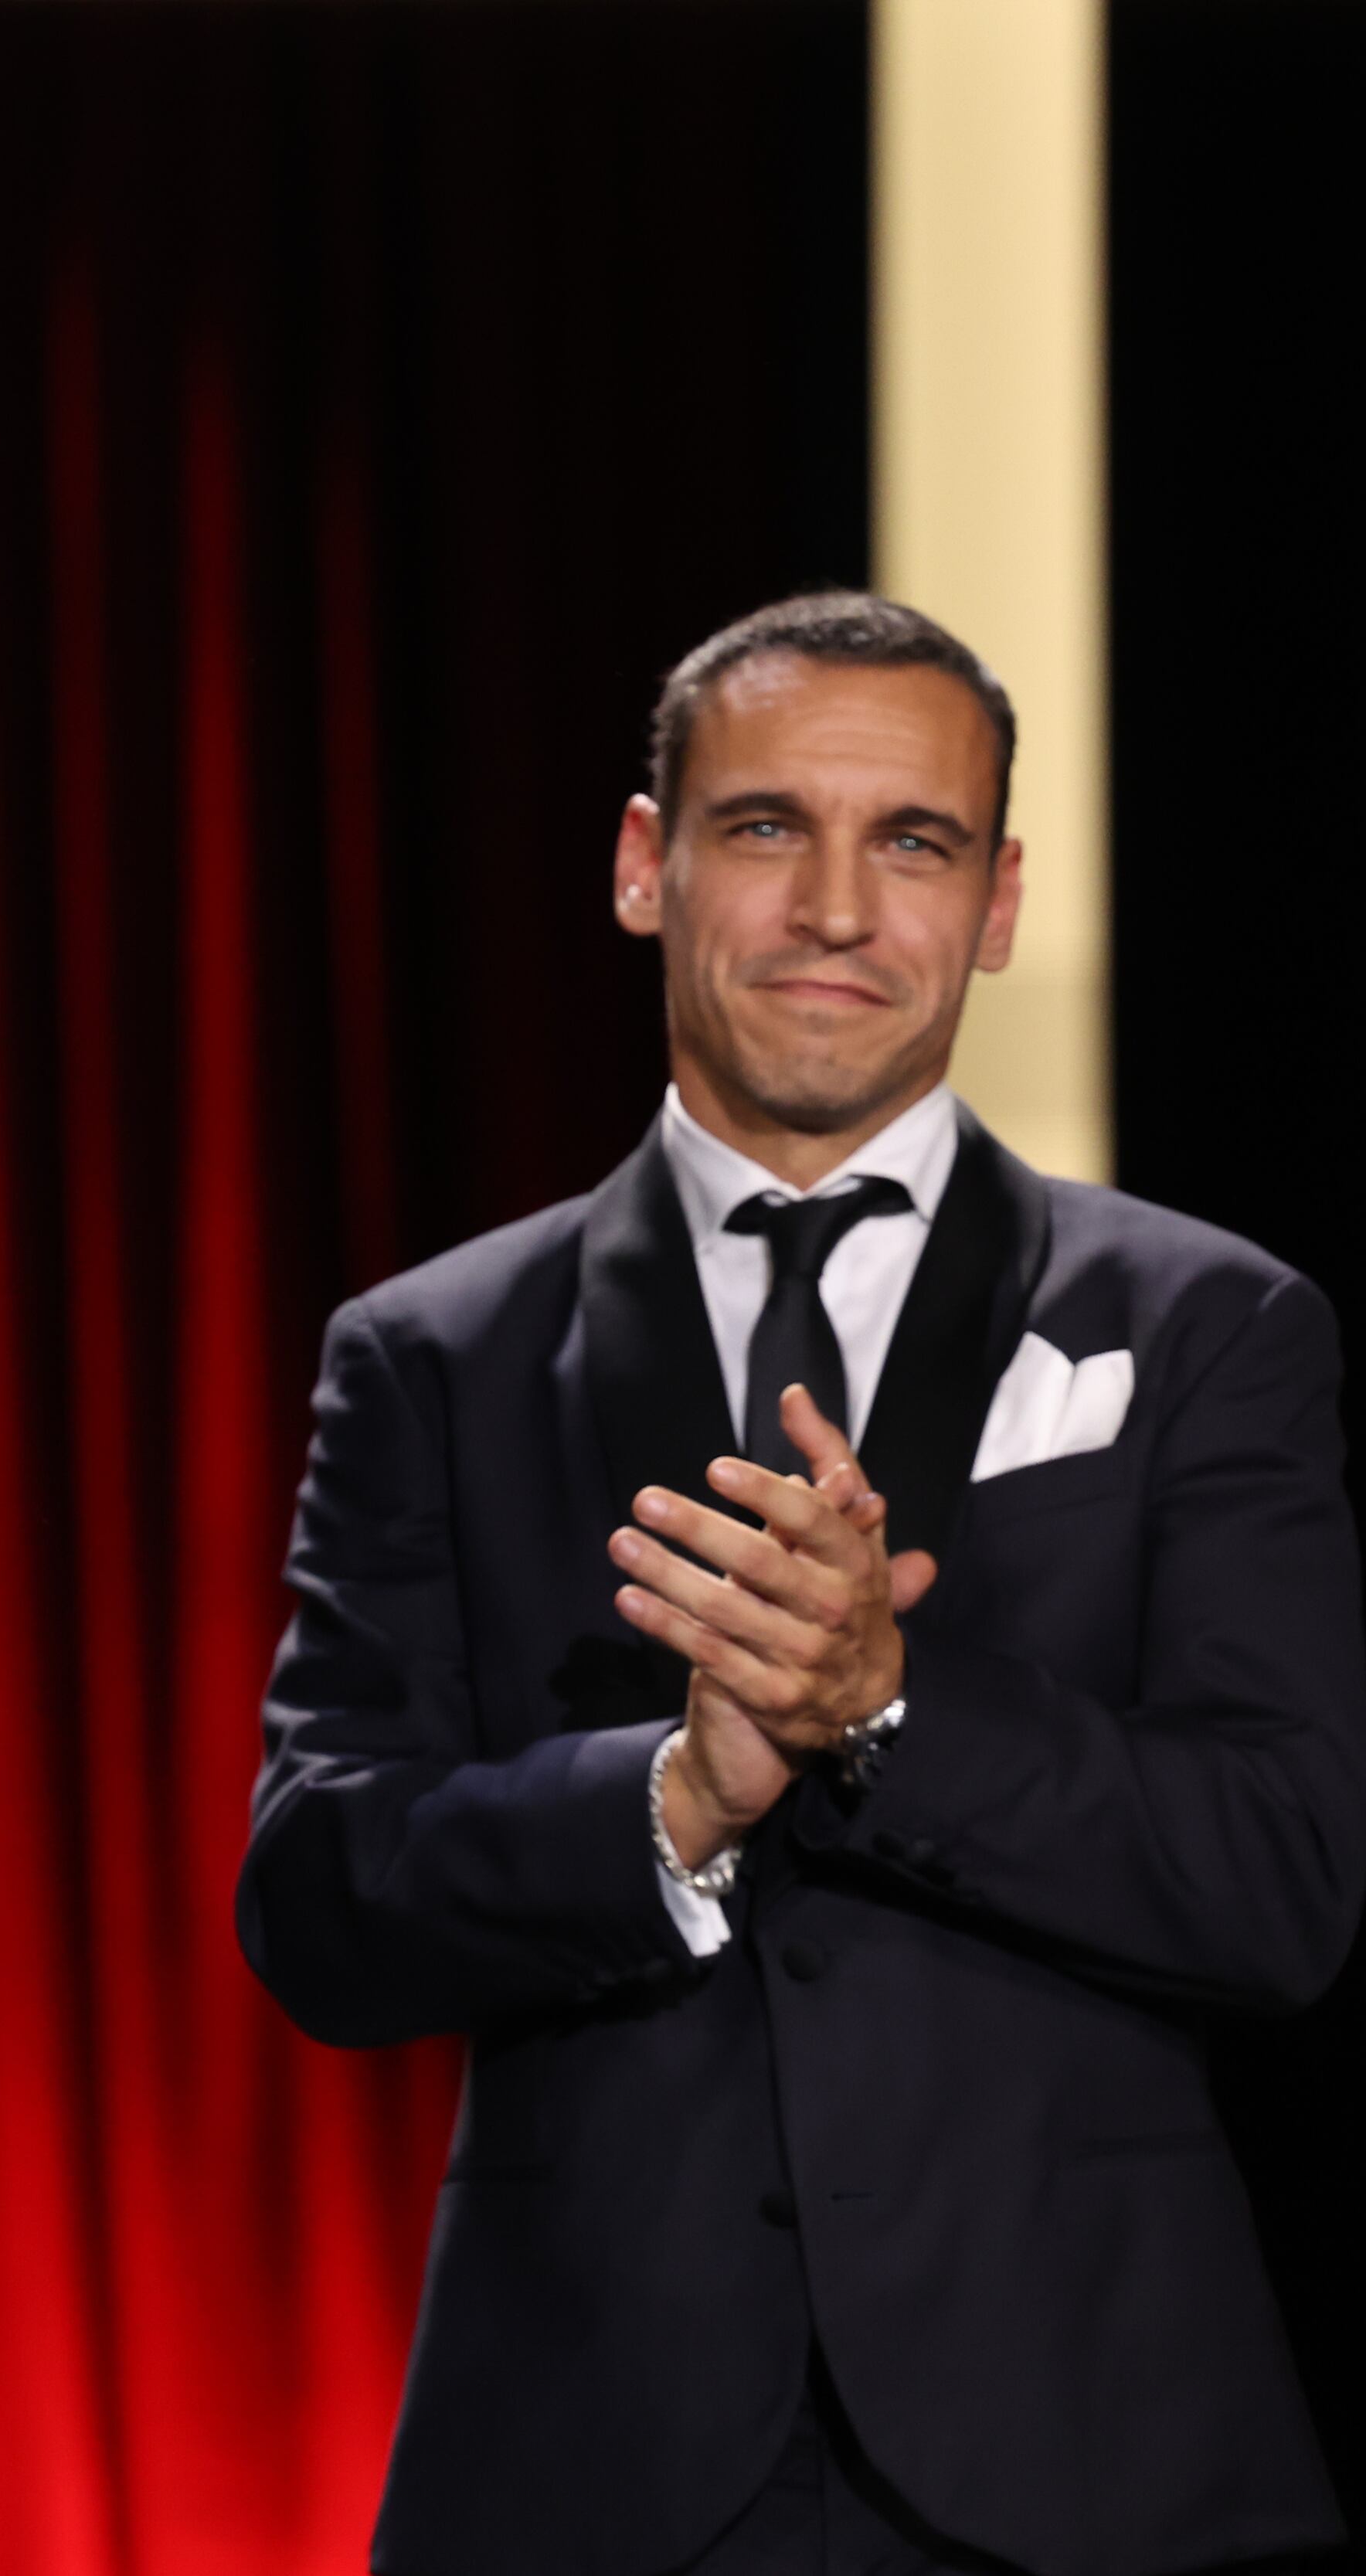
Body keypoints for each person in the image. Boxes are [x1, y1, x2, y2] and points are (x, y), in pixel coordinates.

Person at [240, 592, 1364, 2574]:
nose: (838, 906)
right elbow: (323, 1899)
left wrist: (890, 1704)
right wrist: (665, 1801)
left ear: (996, 898)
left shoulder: (1206, 1322)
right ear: (640, 862)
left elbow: (1277, 1876)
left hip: (1088, 2453)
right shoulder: (432, 1349)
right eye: (766, 826)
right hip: (599, 2461)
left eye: (911, 841)